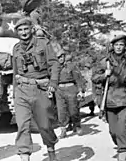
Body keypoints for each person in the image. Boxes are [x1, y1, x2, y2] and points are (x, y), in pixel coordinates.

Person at [91, 34, 126, 161]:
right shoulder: (105, 62)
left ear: (125, 46)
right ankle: (121, 145)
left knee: (123, 130)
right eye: (116, 45)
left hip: (125, 99)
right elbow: (94, 78)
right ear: (112, 46)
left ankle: (123, 152)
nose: (119, 47)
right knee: (113, 132)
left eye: (121, 45)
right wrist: (104, 75)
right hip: (109, 100)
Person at [12, 18, 58, 161]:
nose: (23, 32)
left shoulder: (43, 43)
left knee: (44, 126)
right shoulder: (16, 48)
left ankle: (51, 151)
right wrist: (15, 93)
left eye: (26, 29)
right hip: (22, 90)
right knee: (23, 126)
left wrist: (53, 82)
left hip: (40, 88)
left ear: (31, 29)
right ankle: (25, 157)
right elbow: (15, 72)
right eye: (20, 30)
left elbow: (54, 63)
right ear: (17, 32)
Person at [55, 50, 85, 138]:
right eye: (58, 58)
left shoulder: (71, 66)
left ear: (64, 57)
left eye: (61, 57)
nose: (60, 59)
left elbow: (78, 79)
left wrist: (80, 91)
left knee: (73, 110)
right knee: (61, 111)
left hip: (70, 88)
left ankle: (77, 125)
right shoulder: (54, 68)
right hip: (59, 90)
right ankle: (63, 130)